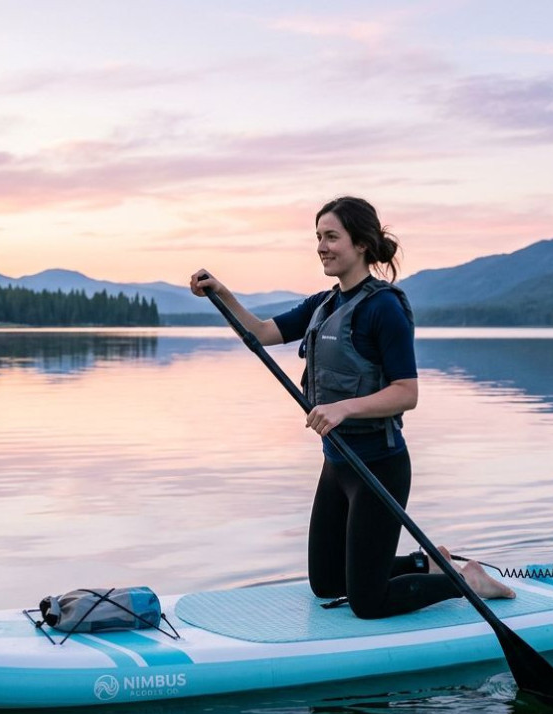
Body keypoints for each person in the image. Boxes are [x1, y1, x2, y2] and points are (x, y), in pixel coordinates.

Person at [190, 196, 513, 619]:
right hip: (338, 466)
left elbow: (406, 392)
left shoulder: (384, 308)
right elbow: (264, 332)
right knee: (326, 582)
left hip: (379, 467)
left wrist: (343, 409)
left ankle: (465, 581)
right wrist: (222, 293)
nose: (322, 246)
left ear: (360, 243)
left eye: (331, 237)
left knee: (368, 602)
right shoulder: (322, 305)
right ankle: (426, 563)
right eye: (318, 237)